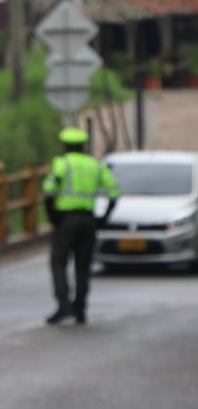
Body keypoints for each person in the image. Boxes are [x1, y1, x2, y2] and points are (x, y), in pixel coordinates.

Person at [41, 127, 121, 325]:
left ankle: (63, 304)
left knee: (58, 261)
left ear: (65, 146)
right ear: (83, 146)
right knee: (82, 265)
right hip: (88, 220)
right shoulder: (95, 165)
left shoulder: (63, 164)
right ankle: (80, 308)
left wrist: (52, 215)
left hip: (67, 220)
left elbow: (48, 189)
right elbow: (114, 192)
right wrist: (103, 218)